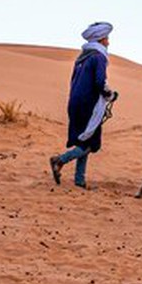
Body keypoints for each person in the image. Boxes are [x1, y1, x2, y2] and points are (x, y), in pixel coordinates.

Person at [49, 21, 117, 189]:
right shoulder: (99, 56)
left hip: (75, 102)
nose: (108, 42)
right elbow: (100, 81)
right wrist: (110, 94)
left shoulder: (82, 57)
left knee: (84, 139)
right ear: (101, 39)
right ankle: (60, 160)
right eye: (106, 38)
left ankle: (79, 181)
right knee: (91, 143)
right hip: (89, 105)